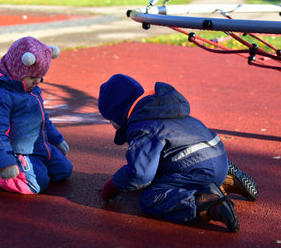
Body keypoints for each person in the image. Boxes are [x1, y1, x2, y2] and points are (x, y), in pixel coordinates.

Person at [98, 74, 258, 232]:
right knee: (162, 173)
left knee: (150, 198)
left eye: (109, 120)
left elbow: (140, 174)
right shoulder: (162, 107)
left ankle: (206, 204)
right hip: (217, 155)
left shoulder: (142, 127)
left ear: (116, 114)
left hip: (197, 169)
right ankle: (224, 179)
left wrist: (114, 184)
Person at [0, 36, 72, 194]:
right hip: (21, 151)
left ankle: (29, 170)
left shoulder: (31, 89)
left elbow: (43, 118)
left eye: (41, 77)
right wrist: (6, 161)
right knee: (36, 185)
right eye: (33, 77)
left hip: (40, 146)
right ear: (17, 71)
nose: (38, 81)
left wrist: (57, 139)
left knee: (64, 170)